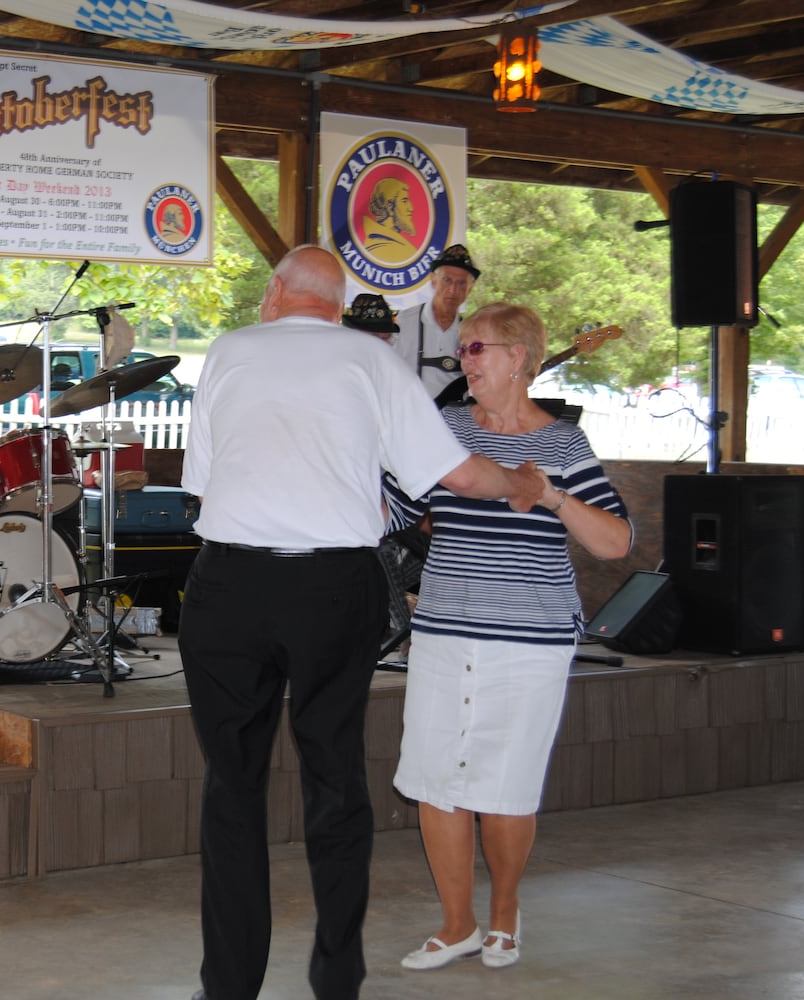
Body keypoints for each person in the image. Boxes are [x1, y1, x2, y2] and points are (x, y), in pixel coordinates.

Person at [178, 245, 544, 1000]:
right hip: (331, 585)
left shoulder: (228, 351)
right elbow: (455, 474)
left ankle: (228, 986)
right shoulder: (371, 361)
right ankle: (337, 977)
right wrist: (521, 483)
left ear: (276, 293)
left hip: (232, 583)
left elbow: (204, 485)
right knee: (334, 776)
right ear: (338, 303)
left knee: (232, 785)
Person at [384, 302, 632, 973]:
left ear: (518, 357)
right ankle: (457, 923)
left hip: (530, 640)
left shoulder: (563, 444)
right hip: (442, 631)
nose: (462, 361)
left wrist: (551, 497)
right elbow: (393, 507)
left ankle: (504, 914)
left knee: (505, 784)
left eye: (475, 349)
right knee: (436, 780)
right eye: (463, 349)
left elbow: (615, 541)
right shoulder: (445, 429)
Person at [390, 243, 481, 400]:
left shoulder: (471, 333)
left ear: (470, 289)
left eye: (461, 283)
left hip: (453, 423)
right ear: (433, 281)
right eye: (447, 280)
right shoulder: (404, 322)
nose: (453, 290)